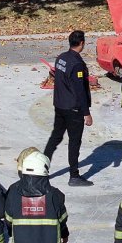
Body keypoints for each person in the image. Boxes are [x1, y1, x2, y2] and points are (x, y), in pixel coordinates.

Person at [44, 30, 94, 187]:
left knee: (55, 137)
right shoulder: (77, 64)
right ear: (82, 43)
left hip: (59, 105)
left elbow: (57, 77)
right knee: (74, 142)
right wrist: (86, 113)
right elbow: (80, 90)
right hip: (73, 109)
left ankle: (41, 170)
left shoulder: (61, 58)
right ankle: (74, 175)